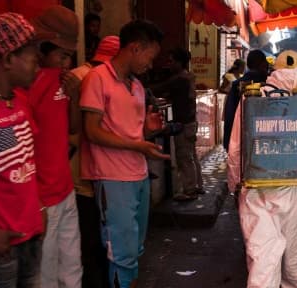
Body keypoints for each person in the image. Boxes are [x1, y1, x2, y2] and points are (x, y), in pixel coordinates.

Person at [227, 50, 297, 287]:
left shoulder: (252, 98)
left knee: (263, 262)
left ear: (272, 72)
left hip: (257, 189)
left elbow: (236, 150)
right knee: (296, 266)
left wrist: (234, 184)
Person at [80, 19, 168, 288]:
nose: (150, 65)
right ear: (135, 48)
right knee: (120, 252)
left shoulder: (137, 87)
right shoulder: (97, 78)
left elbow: (133, 133)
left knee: (134, 249)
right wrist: (137, 145)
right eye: (149, 57)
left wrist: (148, 132)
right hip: (112, 178)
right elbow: (92, 132)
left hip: (138, 174)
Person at [20, 5, 84, 288]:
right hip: (42, 198)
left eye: (69, 55)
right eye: (61, 54)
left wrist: (74, 96)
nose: (66, 62)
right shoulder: (25, 87)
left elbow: (71, 129)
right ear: (42, 49)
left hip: (64, 190)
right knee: (45, 277)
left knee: (71, 270)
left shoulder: (61, 80)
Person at [0, 12, 44, 288]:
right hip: (2, 245)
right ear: (8, 59)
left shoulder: (21, 103)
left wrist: (39, 206)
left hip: (31, 235)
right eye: (32, 58)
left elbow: (26, 163)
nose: (37, 66)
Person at [70, 35, 120, 288]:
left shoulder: (78, 75)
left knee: (91, 238)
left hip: (86, 172)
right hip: (88, 172)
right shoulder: (93, 78)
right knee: (94, 238)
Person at [155, 48, 203, 201]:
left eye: (171, 61)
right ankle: (197, 186)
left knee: (184, 158)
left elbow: (158, 88)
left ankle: (189, 190)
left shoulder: (179, 79)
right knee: (191, 156)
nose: (169, 64)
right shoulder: (188, 77)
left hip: (183, 123)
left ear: (179, 62)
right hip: (191, 122)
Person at [223, 50, 268, 151]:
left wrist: (228, 143)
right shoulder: (269, 83)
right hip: (265, 141)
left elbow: (230, 116)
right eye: (265, 62)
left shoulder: (236, 85)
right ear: (262, 64)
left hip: (240, 138)